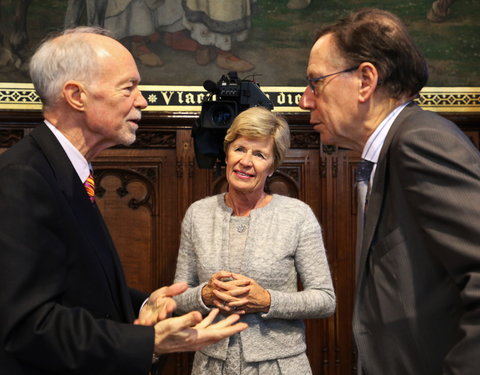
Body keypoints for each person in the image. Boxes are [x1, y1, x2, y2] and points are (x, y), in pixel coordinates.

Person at [0, 26, 247, 374]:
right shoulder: (21, 178)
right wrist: (149, 342)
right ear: (76, 95)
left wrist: (146, 303)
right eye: (129, 87)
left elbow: (78, 287)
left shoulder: (61, 169)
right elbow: (27, 327)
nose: (142, 100)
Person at [299, 8, 480, 375]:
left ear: (365, 80)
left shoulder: (420, 142)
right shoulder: (393, 149)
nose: (305, 100)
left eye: (316, 82)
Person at [173, 106, 336, 374]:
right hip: (211, 365)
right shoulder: (198, 215)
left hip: (280, 366)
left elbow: (325, 299)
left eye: (259, 154)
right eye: (239, 149)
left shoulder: (296, 215)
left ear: (272, 166)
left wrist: (268, 301)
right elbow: (177, 298)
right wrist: (205, 294)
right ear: (227, 153)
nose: (245, 161)